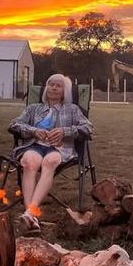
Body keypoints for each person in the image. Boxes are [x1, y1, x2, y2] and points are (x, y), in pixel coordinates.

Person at [8, 73, 93, 232]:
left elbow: (88, 127)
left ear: (64, 91)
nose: (53, 88)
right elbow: (14, 124)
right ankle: (31, 215)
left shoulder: (72, 109)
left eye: (58, 85)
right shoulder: (33, 108)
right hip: (34, 145)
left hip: (60, 148)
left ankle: (29, 213)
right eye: (51, 84)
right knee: (29, 162)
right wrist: (33, 130)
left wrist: (65, 131)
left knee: (50, 161)